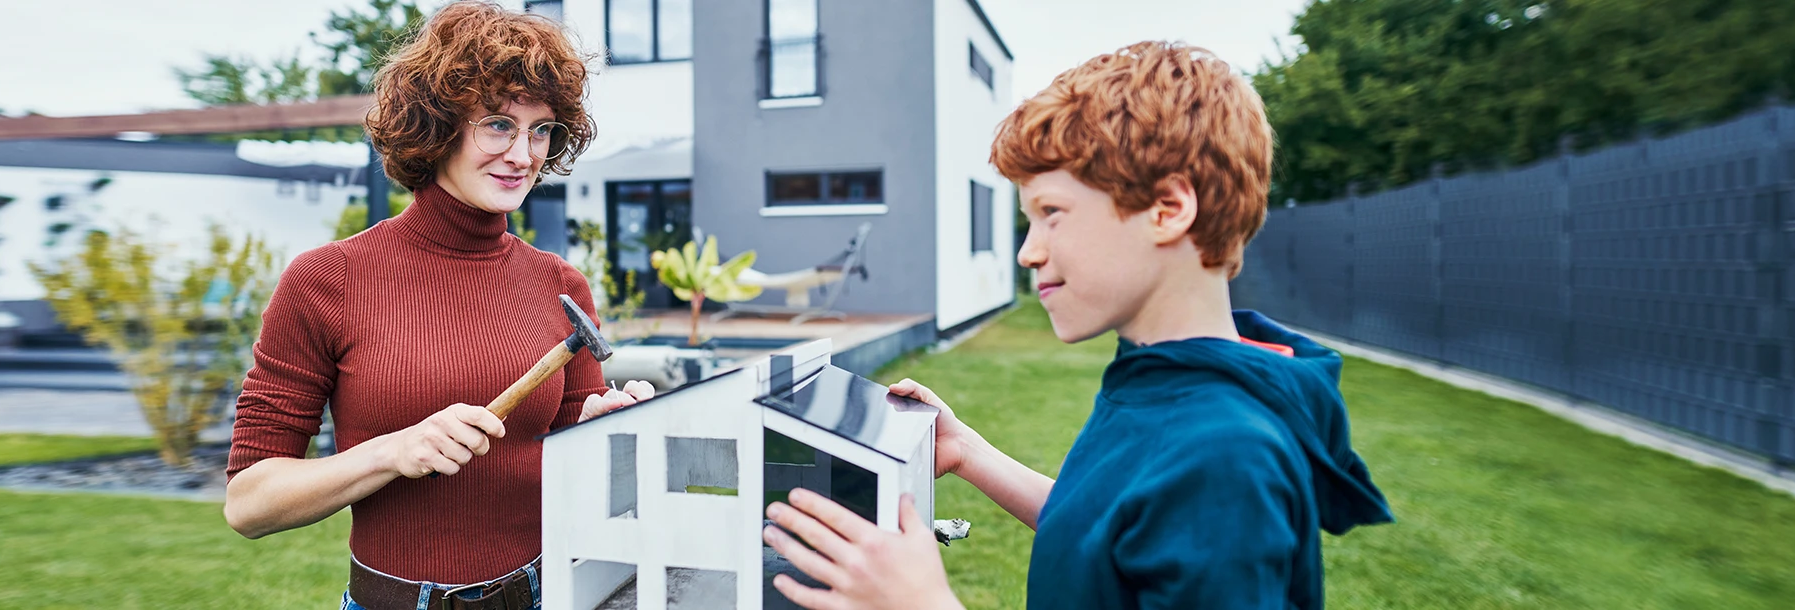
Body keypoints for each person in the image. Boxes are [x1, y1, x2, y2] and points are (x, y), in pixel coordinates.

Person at [759, 41, 1395, 609]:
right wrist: (972, 454)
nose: (1027, 251)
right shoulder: (1161, 377)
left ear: (1168, 209)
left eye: (1052, 213)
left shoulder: (1225, 455)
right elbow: (1110, 534)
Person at [220, 3, 652, 609]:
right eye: (499, 124)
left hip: (546, 593)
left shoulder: (560, 285)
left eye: (540, 129)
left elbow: (581, 483)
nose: (525, 154)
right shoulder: (327, 279)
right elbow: (249, 504)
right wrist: (394, 451)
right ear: (437, 126)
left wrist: (611, 436)